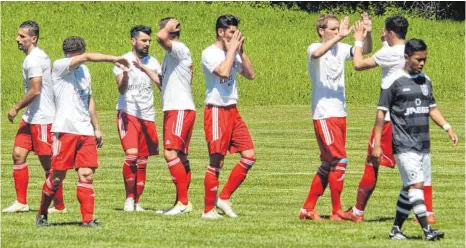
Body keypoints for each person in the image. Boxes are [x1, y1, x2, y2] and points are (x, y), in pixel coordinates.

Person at [345, 16, 440, 223]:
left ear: (390, 33)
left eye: (385, 32)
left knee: (372, 161)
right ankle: (428, 212)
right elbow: (388, 59)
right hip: (410, 117)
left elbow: (358, 64)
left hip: (388, 118)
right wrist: (373, 34)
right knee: (419, 163)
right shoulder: (408, 51)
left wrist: (359, 40)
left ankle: (357, 212)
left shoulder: (389, 52)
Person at [36, 36, 129, 227]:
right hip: (65, 129)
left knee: (87, 175)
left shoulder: (85, 70)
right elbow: (86, 57)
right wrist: (113, 58)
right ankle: (42, 212)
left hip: (85, 131)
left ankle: (87, 220)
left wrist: (96, 127)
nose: (77, 59)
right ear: (68, 55)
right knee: (56, 177)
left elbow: (89, 99)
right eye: (75, 56)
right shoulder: (60, 65)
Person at [373, 39, 457, 241]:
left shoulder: (425, 80)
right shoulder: (392, 83)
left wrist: (447, 127)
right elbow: (380, 115)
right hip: (404, 144)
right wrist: (377, 145)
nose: (422, 63)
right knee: (417, 185)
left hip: (423, 144)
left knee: (409, 187)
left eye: (424, 60)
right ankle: (427, 231)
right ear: (406, 57)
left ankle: (395, 230)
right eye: (418, 59)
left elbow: (431, 108)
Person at [299, 14, 372, 221]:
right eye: (332, 29)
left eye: (337, 28)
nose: (337, 31)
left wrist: (367, 33)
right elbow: (319, 52)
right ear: (322, 31)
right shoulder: (313, 47)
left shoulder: (340, 48)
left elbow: (364, 51)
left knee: (327, 163)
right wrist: (340, 36)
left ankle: (307, 209)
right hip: (324, 113)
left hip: (340, 113)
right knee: (340, 160)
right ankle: (336, 211)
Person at [4, 20, 66, 213]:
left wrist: (15, 108)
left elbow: (36, 90)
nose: (17, 39)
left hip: (43, 119)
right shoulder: (38, 56)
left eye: (22, 36)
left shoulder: (34, 60)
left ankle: (59, 205)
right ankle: (21, 202)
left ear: (33, 38)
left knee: (49, 165)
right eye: (18, 35)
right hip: (31, 118)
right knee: (18, 155)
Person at [201, 14, 256, 219]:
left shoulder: (235, 52)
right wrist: (232, 51)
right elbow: (223, 72)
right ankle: (208, 210)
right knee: (217, 160)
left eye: (236, 31)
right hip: (216, 110)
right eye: (232, 32)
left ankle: (223, 197)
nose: (236, 35)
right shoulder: (210, 53)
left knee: (249, 156)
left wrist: (241, 51)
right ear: (221, 32)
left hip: (233, 109)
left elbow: (250, 75)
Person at [114, 25, 162, 212]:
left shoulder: (154, 62)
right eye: (143, 40)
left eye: (149, 41)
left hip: (147, 115)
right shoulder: (122, 60)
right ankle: (128, 198)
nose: (147, 43)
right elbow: (121, 89)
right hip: (128, 112)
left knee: (143, 160)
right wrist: (125, 74)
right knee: (132, 155)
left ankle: (137, 202)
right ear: (133, 41)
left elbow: (161, 85)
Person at [154, 17, 196, 215]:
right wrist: (144, 69)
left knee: (170, 153)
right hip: (176, 108)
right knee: (180, 156)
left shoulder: (179, 48)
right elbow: (164, 83)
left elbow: (160, 38)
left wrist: (168, 27)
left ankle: (184, 203)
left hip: (179, 108)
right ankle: (180, 201)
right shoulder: (171, 55)